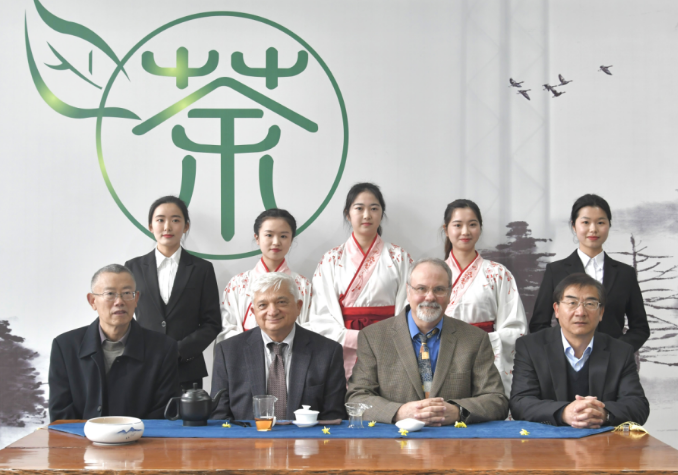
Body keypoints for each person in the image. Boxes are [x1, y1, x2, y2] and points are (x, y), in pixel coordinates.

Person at [346, 258, 509, 425]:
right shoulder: (373, 337)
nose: (430, 297)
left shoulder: (475, 339)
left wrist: (458, 411)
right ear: (408, 291)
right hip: (394, 438)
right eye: (421, 289)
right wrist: (398, 412)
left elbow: (496, 400)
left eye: (439, 289)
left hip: (454, 438)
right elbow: (357, 397)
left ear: (450, 294)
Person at [511, 273, 649, 427]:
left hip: (603, 439)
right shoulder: (530, 347)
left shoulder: (621, 352)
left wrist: (603, 413)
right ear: (556, 310)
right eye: (572, 303)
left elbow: (638, 405)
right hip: (548, 439)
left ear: (601, 312)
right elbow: (520, 403)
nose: (580, 312)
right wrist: (564, 412)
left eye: (590, 304)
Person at [48, 264, 180, 421]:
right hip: (81, 436)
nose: (119, 301)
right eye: (110, 294)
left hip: (141, 436)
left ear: (136, 299)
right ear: (92, 301)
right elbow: (61, 414)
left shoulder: (163, 349)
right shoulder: (65, 347)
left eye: (127, 293)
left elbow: (164, 413)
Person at [311, 183, 413, 380]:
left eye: (374, 208)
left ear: (381, 214)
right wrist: (352, 337)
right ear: (348, 214)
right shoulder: (331, 259)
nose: (367, 215)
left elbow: (410, 304)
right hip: (342, 346)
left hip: (389, 344)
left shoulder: (399, 257)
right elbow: (320, 312)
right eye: (359, 208)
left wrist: (388, 338)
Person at [211, 272, 346, 421]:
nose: (273, 312)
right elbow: (219, 416)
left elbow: (333, 417)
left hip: (306, 436)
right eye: (263, 305)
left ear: (298, 307)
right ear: (253, 312)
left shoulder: (328, 352)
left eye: (281, 302)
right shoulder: (228, 352)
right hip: (246, 435)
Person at [530, 194, 650, 353]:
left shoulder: (625, 274)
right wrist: (564, 352)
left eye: (600, 222)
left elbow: (640, 328)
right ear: (574, 226)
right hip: (567, 361)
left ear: (609, 225)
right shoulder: (556, 271)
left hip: (613, 363)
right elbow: (538, 325)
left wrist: (617, 352)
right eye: (585, 222)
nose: (593, 229)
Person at [125, 196, 221, 390]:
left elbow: (212, 323)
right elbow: (124, 316)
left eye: (175, 220)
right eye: (160, 220)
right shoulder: (133, 267)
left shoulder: (202, 269)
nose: (167, 227)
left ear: (186, 226)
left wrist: (178, 351)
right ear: (150, 226)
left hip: (187, 369)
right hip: (143, 365)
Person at [441, 199, 527, 397]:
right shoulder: (433, 273)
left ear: (480, 228)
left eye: (472, 224)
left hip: (486, 357)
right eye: (458, 225)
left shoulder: (498, 273)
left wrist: (479, 342)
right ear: (446, 229)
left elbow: (516, 329)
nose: (465, 231)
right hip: (442, 356)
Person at [216, 209, 312, 342]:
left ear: (291, 240)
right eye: (269, 235)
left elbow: (311, 328)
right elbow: (226, 329)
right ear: (257, 238)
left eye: (283, 236)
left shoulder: (302, 285)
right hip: (246, 353)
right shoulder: (237, 284)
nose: (276, 242)